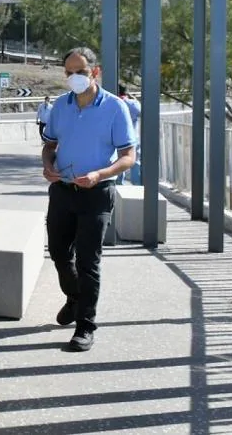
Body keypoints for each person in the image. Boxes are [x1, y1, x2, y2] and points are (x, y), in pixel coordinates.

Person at [41, 47, 137, 352]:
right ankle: (74, 297)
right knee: (58, 253)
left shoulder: (114, 107)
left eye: (80, 72)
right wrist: (47, 165)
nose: (74, 78)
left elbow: (128, 157)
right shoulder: (60, 105)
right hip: (62, 192)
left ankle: (85, 326)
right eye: (68, 72)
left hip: (97, 193)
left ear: (95, 72)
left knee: (88, 262)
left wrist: (99, 174)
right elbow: (50, 145)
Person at [118, 84, 143, 186]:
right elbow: (140, 112)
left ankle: (118, 185)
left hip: (117, 139)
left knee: (118, 163)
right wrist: (135, 100)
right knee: (135, 162)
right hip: (133, 138)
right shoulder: (133, 103)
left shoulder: (115, 102)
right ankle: (137, 186)